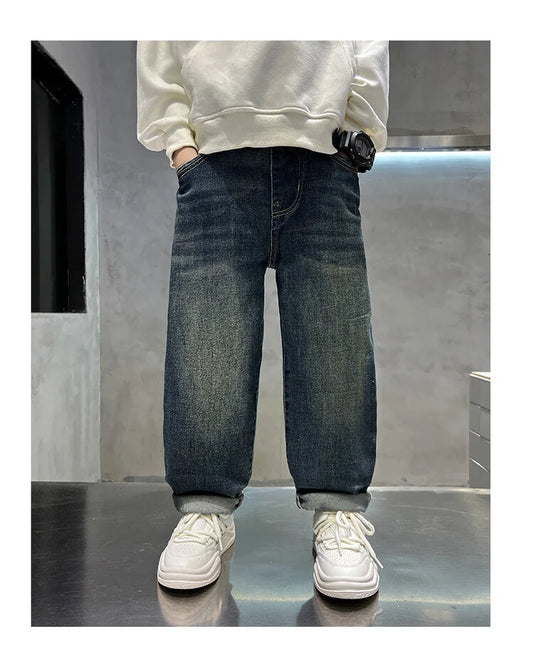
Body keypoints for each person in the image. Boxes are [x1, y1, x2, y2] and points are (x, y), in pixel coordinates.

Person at [136, 40, 389, 600]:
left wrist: (358, 130)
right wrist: (179, 144)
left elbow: (369, 34)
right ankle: (205, 511)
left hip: (324, 158)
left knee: (336, 344)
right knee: (207, 346)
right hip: (214, 164)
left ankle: (338, 511)